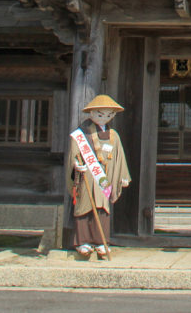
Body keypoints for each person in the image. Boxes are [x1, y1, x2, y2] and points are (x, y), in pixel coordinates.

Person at [67, 94, 130, 259]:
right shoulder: (81, 135)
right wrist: (76, 166)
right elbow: (74, 154)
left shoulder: (113, 135)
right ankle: (83, 241)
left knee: (103, 209)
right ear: (92, 113)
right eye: (100, 114)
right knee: (83, 208)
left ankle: (101, 241)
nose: (104, 118)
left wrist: (122, 176)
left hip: (104, 177)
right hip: (87, 176)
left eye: (109, 115)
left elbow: (119, 157)